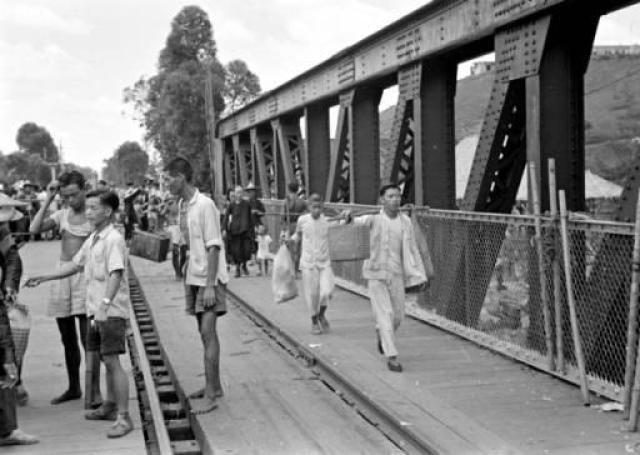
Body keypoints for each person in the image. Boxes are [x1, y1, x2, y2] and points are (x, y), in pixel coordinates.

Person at [26, 190, 134, 438]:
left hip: (110, 311)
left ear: (107, 211)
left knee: (114, 362)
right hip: (95, 310)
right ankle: (109, 405)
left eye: (94, 208)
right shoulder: (94, 237)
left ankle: (124, 417)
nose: (88, 212)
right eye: (88, 208)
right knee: (105, 360)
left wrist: (106, 305)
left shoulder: (112, 239)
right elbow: (76, 265)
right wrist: (45, 277)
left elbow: (116, 274)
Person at [29, 171, 102, 406]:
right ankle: (74, 387)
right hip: (62, 278)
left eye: (74, 194)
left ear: (84, 189)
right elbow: (34, 229)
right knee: (67, 339)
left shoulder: (93, 217)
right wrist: (48, 200)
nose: (71, 200)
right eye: (66, 196)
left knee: (87, 338)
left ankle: (94, 390)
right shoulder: (62, 216)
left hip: (84, 278)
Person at [164, 156, 228, 415]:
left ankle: (212, 391)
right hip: (193, 275)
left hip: (209, 278)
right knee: (203, 333)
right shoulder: (183, 205)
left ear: (181, 177)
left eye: (169, 178)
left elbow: (214, 246)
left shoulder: (205, 205)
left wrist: (211, 285)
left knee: (207, 332)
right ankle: (213, 384)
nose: (167, 183)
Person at [345, 184, 428, 373]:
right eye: (390, 196)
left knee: (399, 315)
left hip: (397, 274)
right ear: (382, 200)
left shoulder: (405, 221)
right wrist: (349, 218)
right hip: (376, 274)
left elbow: (413, 248)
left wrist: (418, 273)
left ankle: (381, 334)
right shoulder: (373, 218)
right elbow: (354, 223)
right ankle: (392, 356)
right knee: (385, 315)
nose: (395, 200)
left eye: (398, 196)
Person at [0, 201, 38, 447]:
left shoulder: (1, 231)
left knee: (5, 364)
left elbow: (12, 259)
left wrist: (10, 287)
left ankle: (7, 430)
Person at [292, 194, 334, 335]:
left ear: (322, 207)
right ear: (309, 206)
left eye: (319, 207)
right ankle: (314, 321)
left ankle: (321, 313)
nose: (316, 210)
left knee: (327, 291)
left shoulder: (328, 220)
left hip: (324, 262)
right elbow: (297, 235)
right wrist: (290, 241)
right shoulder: (302, 220)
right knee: (312, 294)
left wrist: (347, 216)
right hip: (308, 263)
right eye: (313, 207)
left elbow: (346, 222)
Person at [224, 186, 254, 278]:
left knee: (246, 249)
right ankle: (237, 268)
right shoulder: (231, 205)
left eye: (241, 192)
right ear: (235, 194)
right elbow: (226, 217)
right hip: (235, 230)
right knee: (236, 250)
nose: (239, 194)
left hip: (245, 230)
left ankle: (244, 265)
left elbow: (250, 216)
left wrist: (253, 228)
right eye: (237, 192)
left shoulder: (247, 204)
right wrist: (224, 228)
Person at [282, 182, 307, 274]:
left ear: (288, 189)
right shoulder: (302, 201)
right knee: (298, 249)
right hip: (299, 226)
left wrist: (283, 229)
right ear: (297, 190)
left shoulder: (286, 201)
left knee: (289, 248)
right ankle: (295, 270)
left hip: (290, 225)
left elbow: (283, 216)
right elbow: (307, 213)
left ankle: (290, 269)